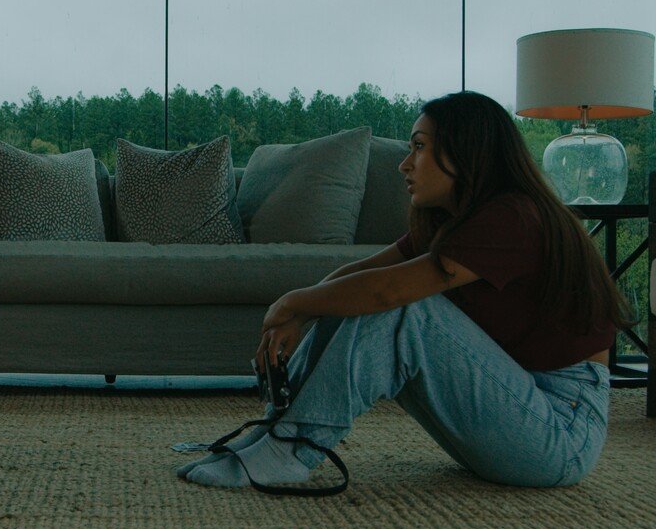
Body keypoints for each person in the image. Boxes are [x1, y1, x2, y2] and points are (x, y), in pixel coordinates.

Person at [178, 91, 629, 491]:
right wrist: (305, 310)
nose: (404, 163)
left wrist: (290, 303)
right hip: (516, 409)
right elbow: (363, 276)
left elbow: (387, 292)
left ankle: (294, 450)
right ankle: (275, 433)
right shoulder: (456, 222)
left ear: (466, 153)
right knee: (359, 297)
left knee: (403, 308)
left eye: (418, 147)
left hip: (561, 430)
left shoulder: (514, 216)